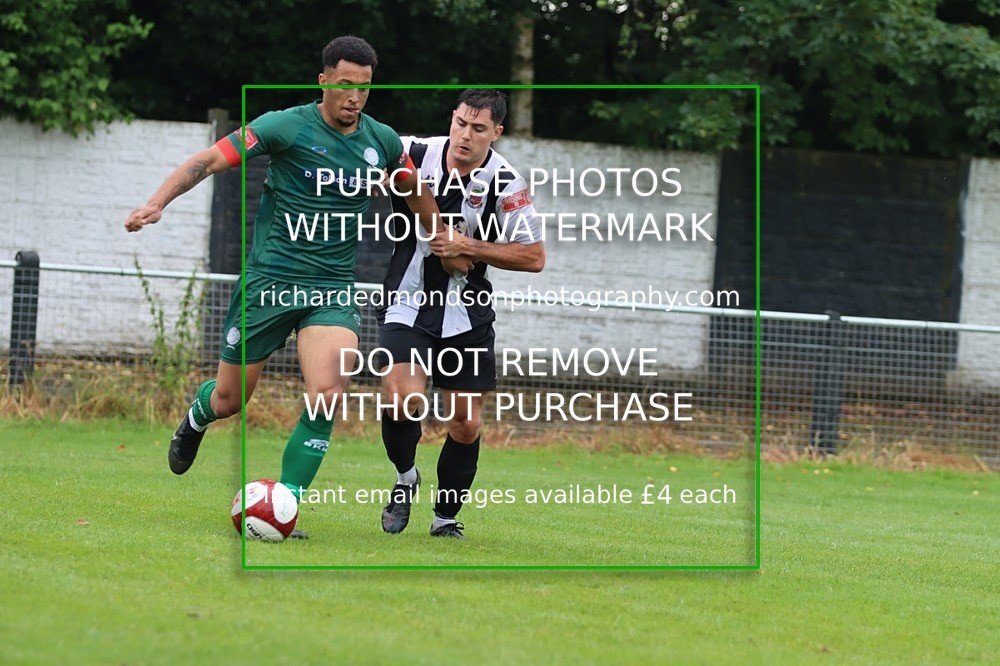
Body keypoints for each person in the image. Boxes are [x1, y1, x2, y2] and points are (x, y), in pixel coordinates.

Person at [124, 36, 441, 537]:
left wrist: (440, 233)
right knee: (231, 399)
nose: (353, 97)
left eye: (363, 88)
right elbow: (207, 160)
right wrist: (158, 202)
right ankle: (196, 418)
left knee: (328, 393)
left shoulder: (381, 141)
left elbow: (413, 189)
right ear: (323, 81)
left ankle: (285, 506)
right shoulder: (284, 126)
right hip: (269, 284)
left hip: (332, 288)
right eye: (343, 86)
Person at [377, 89, 545, 539]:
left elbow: (534, 257)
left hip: (468, 314)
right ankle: (405, 476)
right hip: (409, 300)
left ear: (497, 132)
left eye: (477, 129)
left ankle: (445, 518)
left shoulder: (507, 183)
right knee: (401, 397)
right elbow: (366, 148)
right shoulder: (415, 152)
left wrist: (467, 246)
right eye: (460, 123)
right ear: (451, 118)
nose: (464, 136)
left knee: (466, 424)